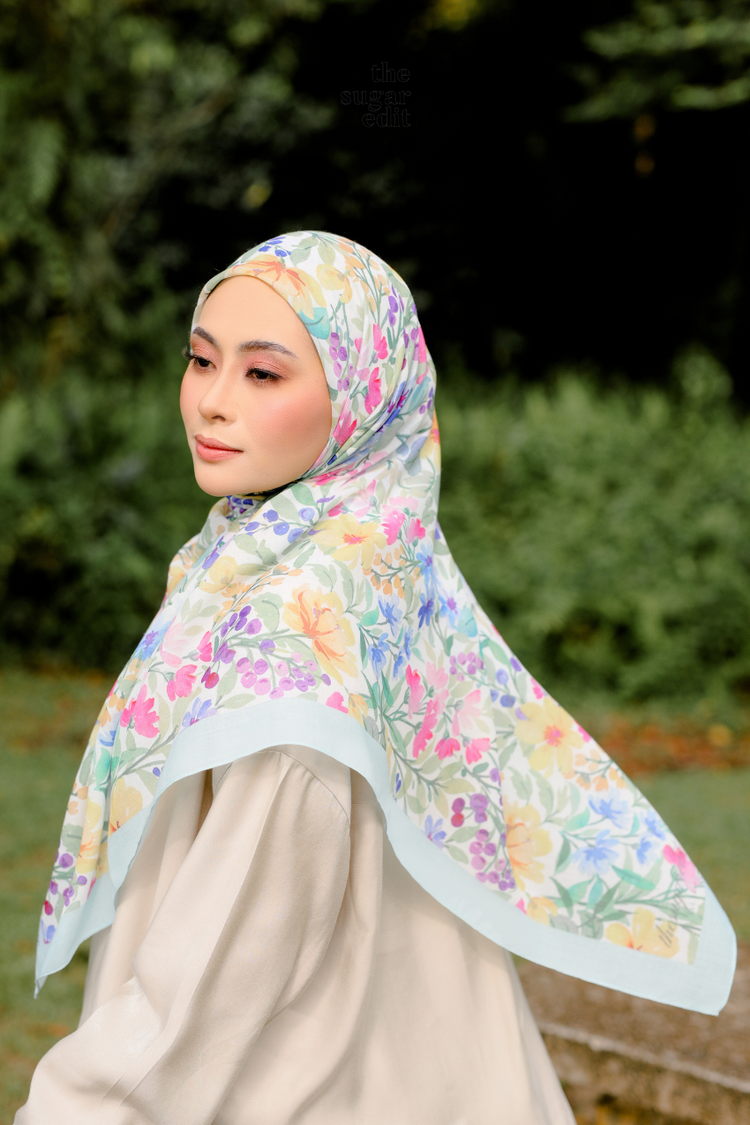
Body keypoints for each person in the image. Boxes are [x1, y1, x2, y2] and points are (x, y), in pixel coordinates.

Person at [16, 231, 735, 1124]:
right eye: (202, 360)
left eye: (263, 373)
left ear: (360, 396)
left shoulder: (302, 630)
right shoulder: (358, 572)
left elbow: (208, 982)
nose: (212, 401)